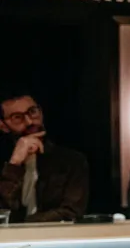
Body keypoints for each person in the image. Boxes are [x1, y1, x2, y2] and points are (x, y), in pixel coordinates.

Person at [0, 89, 89, 222]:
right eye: (17, 117)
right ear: (3, 126)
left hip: (54, 239)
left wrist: (25, 226)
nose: (30, 121)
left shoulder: (71, 160)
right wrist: (14, 164)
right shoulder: (5, 163)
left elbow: (71, 212)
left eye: (33, 112)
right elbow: (2, 209)